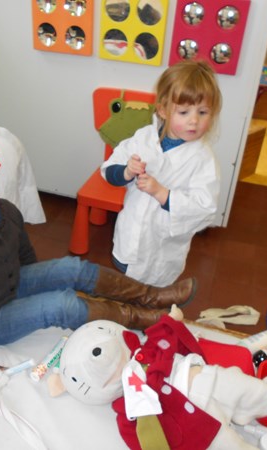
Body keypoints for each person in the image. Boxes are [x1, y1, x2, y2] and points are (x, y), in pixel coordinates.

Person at [0, 137, 198, 387]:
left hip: (13, 283)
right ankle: (144, 319)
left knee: (72, 268)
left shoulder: (5, 210)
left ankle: (153, 296)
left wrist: (41, 283)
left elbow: (25, 256)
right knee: (61, 305)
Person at [101, 60, 222, 287]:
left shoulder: (203, 159)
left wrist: (162, 193)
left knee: (152, 292)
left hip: (161, 251)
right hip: (129, 237)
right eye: (184, 112)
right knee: (124, 285)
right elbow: (109, 169)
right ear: (163, 110)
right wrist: (126, 171)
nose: (194, 120)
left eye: (203, 112)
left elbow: (205, 208)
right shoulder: (143, 137)